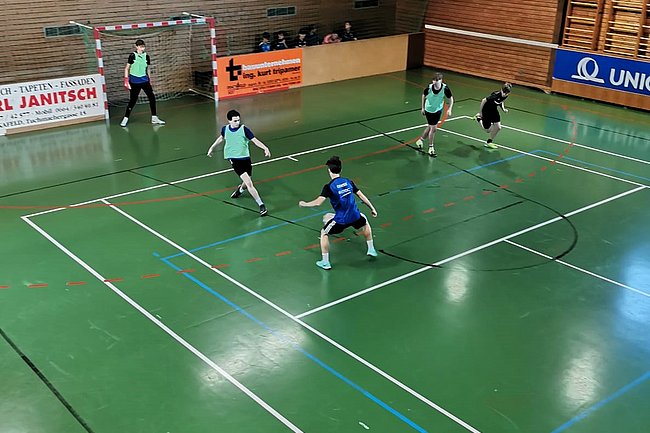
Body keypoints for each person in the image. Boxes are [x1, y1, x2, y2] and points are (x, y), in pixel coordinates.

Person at [299, 156, 378, 270]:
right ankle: (371, 249)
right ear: (341, 169)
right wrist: (372, 208)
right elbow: (361, 195)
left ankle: (325, 262)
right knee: (364, 221)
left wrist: (304, 204)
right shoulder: (348, 182)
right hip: (355, 216)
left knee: (324, 233)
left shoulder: (329, 187)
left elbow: (318, 202)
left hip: (341, 220)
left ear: (329, 170)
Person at [207, 110, 271, 216]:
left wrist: (265, 148)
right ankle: (261, 205)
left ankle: (239, 190)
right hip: (234, 159)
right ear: (229, 121)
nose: (237, 122)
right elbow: (221, 138)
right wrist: (212, 147)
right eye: (235, 121)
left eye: (238, 120)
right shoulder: (225, 129)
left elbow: (255, 140)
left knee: (246, 183)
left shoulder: (244, 129)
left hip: (246, 159)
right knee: (249, 183)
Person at [120, 39, 165, 127]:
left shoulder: (146, 56)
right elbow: (126, 68)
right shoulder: (132, 56)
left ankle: (154, 117)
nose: (142, 48)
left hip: (144, 80)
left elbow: (148, 68)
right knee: (133, 100)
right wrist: (126, 80)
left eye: (143, 47)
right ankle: (125, 118)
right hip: (134, 81)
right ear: (136, 46)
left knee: (152, 97)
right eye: (140, 47)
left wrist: (149, 79)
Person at [415, 72, 453, 156]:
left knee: (430, 126)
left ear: (441, 80)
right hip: (429, 110)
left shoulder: (445, 88)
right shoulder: (429, 88)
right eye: (434, 80)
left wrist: (449, 109)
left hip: (438, 110)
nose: (436, 82)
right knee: (433, 128)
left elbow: (451, 98)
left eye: (437, 80)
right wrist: (422, 108)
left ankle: (420, 140)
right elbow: (423, 95)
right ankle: (431, 147)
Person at [475, 82, 512, 149]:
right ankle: (478, 119)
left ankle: (489, 142)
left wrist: (503, 109)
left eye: (506, 93)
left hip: (494, 111)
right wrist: (480, 113)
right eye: (504, 92)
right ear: (501, 89)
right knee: (487, 130)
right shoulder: (495, 95)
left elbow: (501, 101)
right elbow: (483, 100)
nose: (504, 94)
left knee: (498, 127)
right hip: (486, 111)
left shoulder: (506, 95)